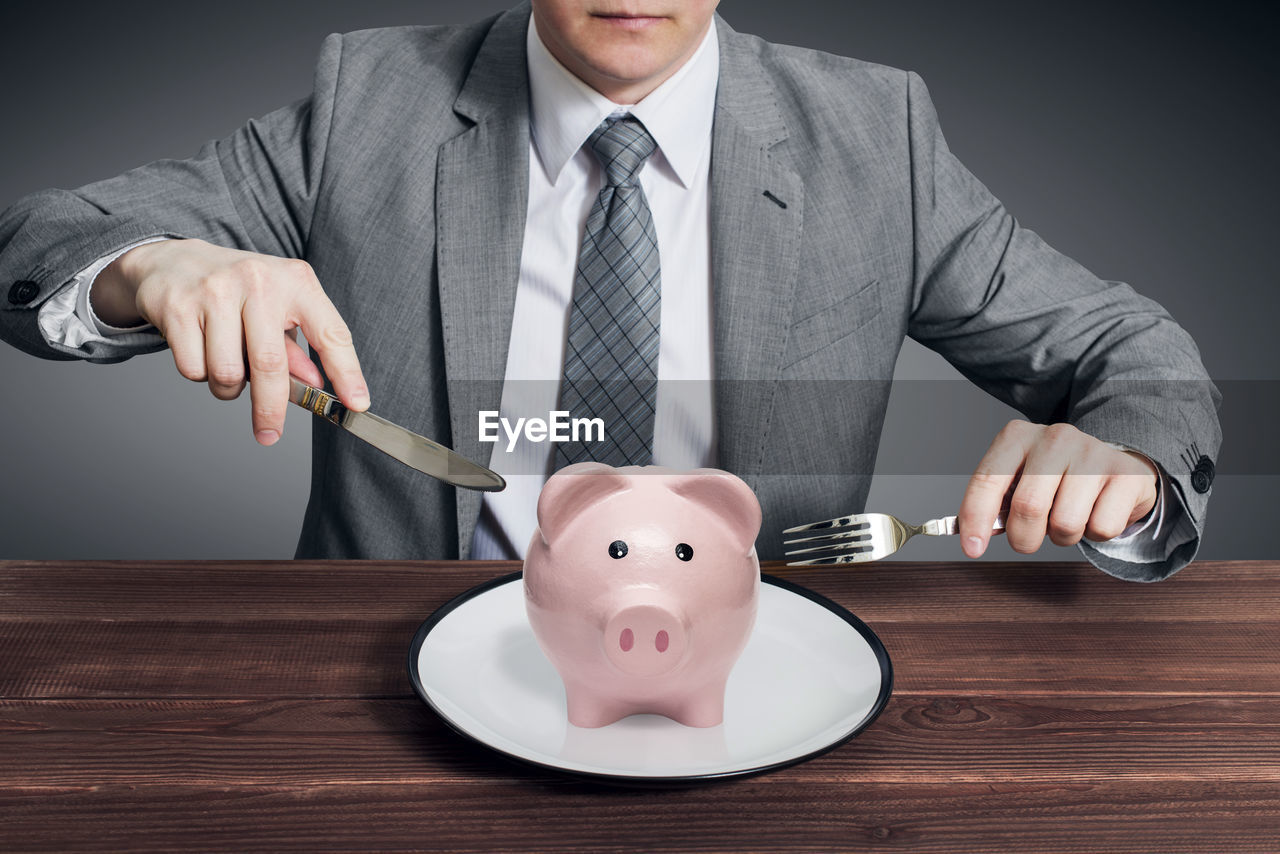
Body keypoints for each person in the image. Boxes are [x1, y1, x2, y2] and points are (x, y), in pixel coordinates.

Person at [0, 1, 1220, 579]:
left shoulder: (873, 133)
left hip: (758, 678)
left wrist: (1119, 461)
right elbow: (50, 236)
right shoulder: (369, 97)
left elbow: (1134, 355)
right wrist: (154, 265)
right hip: (392, 672)